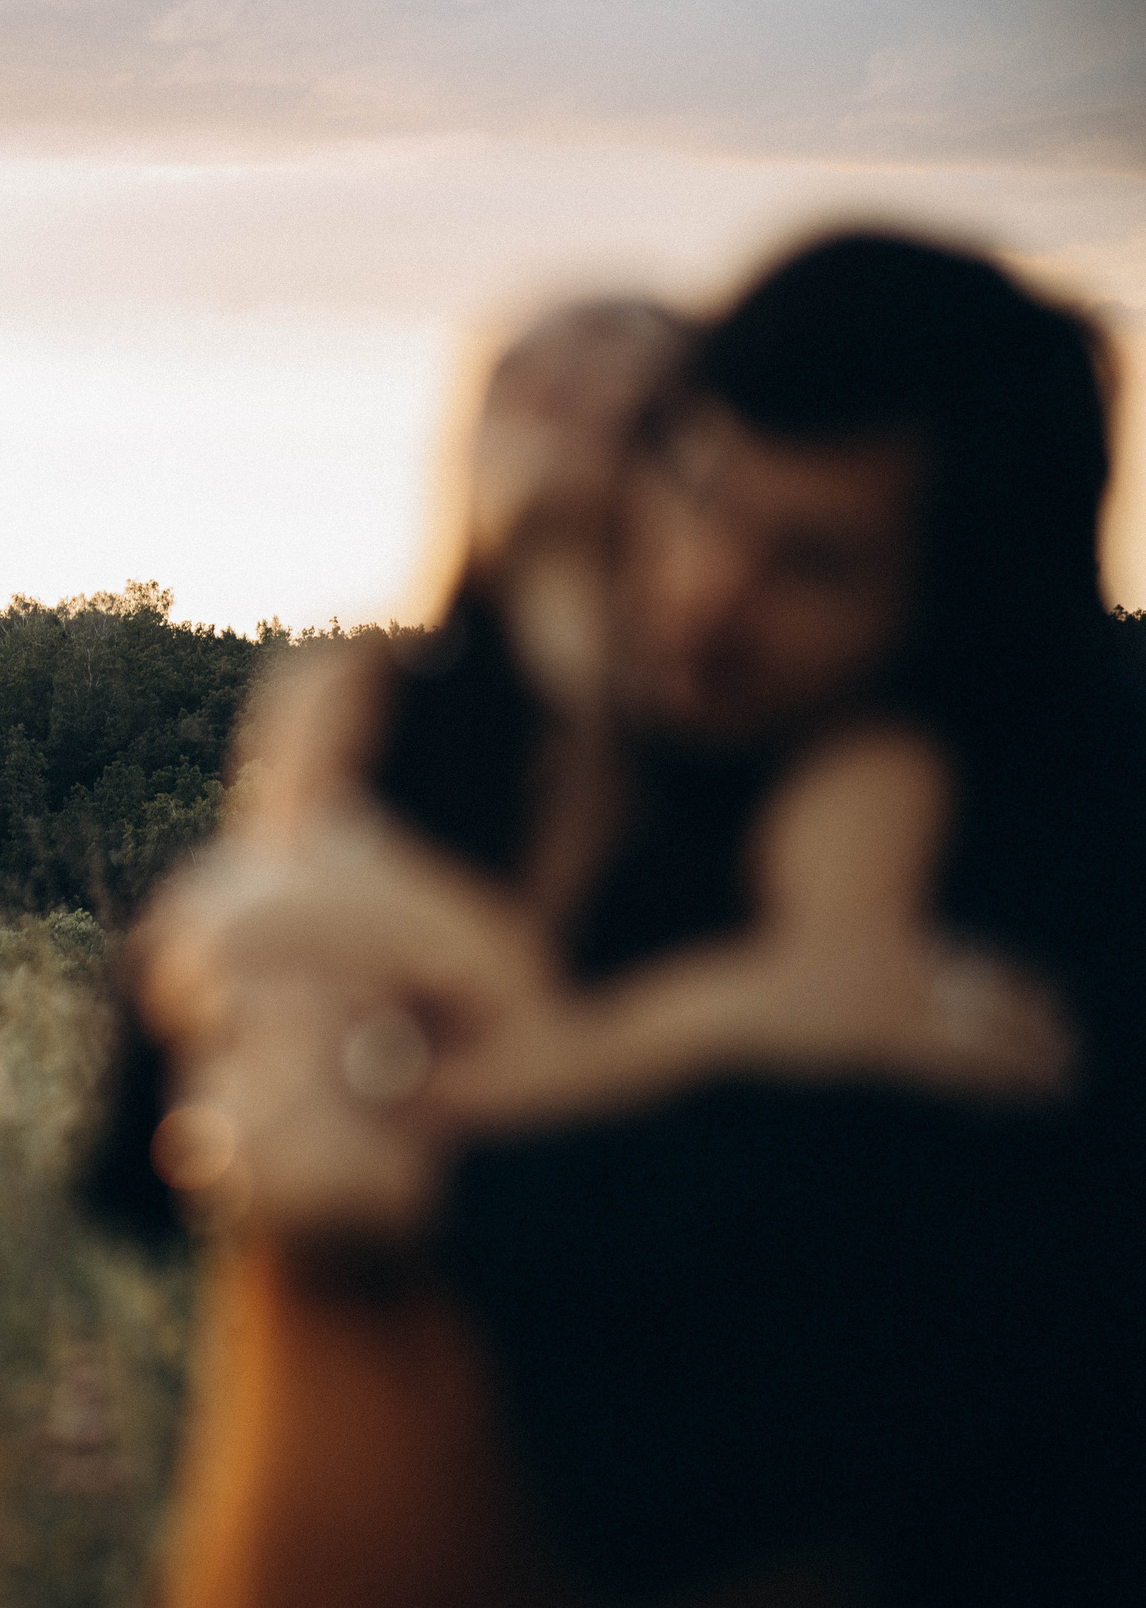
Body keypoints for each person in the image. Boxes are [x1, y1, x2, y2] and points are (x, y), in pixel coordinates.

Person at [91, 230, 1146, 1603]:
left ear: (956, 605)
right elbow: (139, 1129)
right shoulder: (437, 725)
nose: (708, 598)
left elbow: (808, 1328)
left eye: (811, 562)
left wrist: (409, 1146)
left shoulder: (976, 821)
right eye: (699, 494)